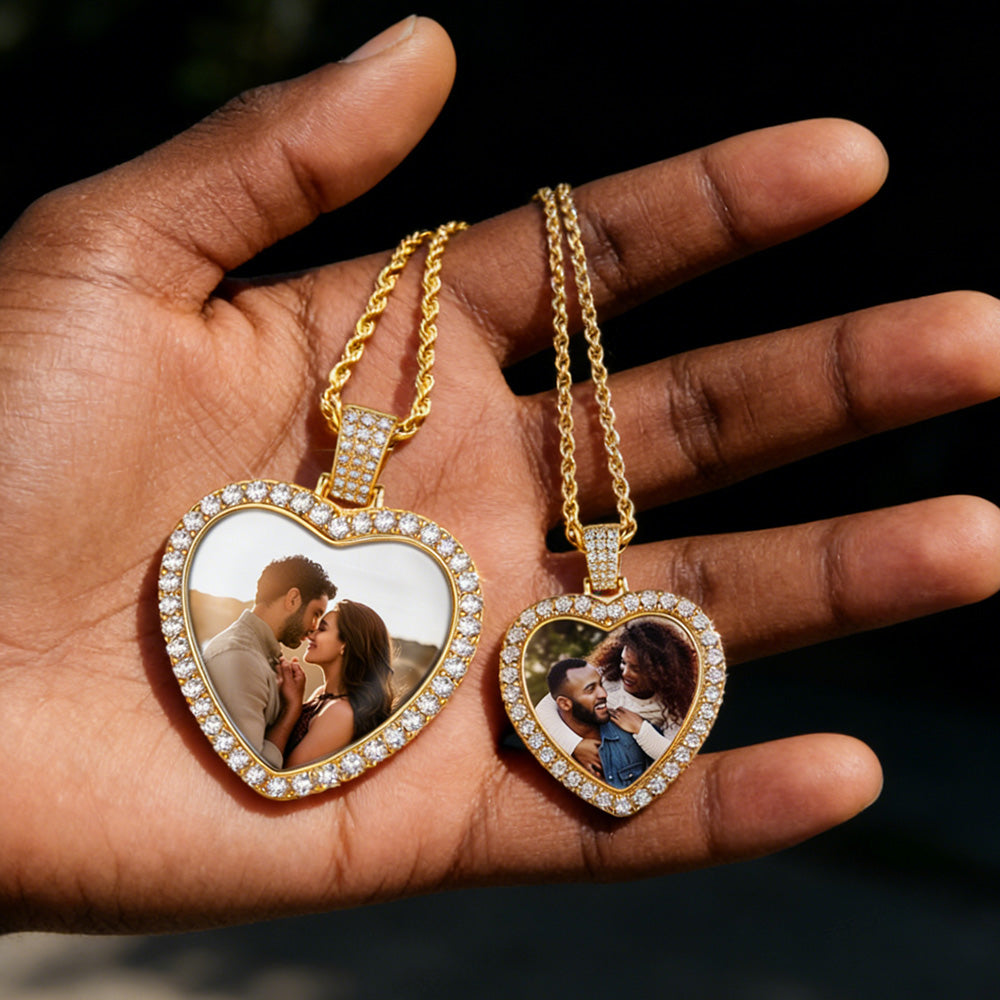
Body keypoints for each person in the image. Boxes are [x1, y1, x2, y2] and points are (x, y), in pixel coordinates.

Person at [3, 15, 1000, 934]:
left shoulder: (337, 690)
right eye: (314, 618)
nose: (313, 627)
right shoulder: (274, 670)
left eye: (315, 619)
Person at [201, 555, 337, 768]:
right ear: (293, 599)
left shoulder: (262, 657)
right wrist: (290, 713)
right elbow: (249, 769)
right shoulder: (241, 659)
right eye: (315, 613)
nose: (314, 627)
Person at [535, 618, 698, 772]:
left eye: (636, 669)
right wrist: (575, 746)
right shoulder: (607, 676)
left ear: (660, 672)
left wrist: (640, 729)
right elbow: (545, 707)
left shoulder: (675, 704)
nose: (625, 673)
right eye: (623, 662)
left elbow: (677, 758)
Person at [284, 601, 395, 767]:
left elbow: (288, 772)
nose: (310, 635)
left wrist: (292, 705)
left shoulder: (340, 713)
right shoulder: (322, 694)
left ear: (345, 644)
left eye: (322, 629)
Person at [546, 658, 654, 788]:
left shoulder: (632, 730)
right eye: (590, 689)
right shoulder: (549, 753)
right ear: (564, 704)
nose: (604, 694)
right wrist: (572, 746)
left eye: (601, 685)